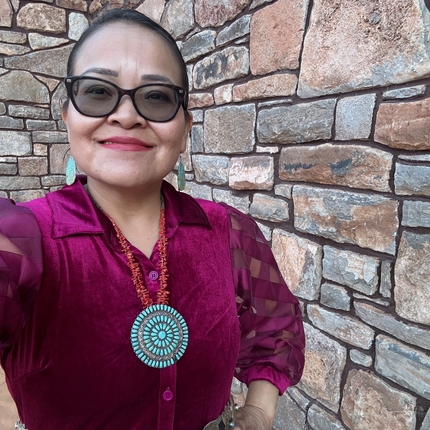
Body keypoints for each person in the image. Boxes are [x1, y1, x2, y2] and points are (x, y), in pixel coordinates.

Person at [0, 8, 305, 430]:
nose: (127, 115)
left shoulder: (229, 231)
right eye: (98, 92)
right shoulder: (20, 238)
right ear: (67, 113)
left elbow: (277, 323)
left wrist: (257, 412)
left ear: (184, 128)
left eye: (157, 97)